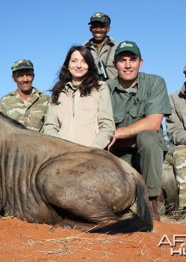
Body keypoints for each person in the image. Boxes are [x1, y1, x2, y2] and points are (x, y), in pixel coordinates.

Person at [107, 41, 171, 220]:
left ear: (140, 63)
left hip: (149, 153)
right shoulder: (104, 88)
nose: (128, 65)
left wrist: (118, 133)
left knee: (148, 137)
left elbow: (153, 123)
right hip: (120, 154)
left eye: (132, 60)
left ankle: (152, 203)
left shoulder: (155, 82)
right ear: (115, 64)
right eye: (122, 60)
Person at [42, 45, 115, 149]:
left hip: (91, 154)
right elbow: (50, 126)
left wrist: (94, 149)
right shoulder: (58, 91)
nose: (79, 65)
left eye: (84, 61)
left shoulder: (100, 87)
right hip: (62, 154)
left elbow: (107, 125)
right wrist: (60, 148)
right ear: (67, 64)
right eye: (74, 61)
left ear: (89, 65)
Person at [0, 59, 49, 131]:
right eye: (20, 76)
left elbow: (50, 127)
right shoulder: (5, 101)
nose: (25, 79)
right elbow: (0, 129)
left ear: (33, 76)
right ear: (14, 78)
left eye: (28, 75)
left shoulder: (46, 100)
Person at [166, 64, 186, 211]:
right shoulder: (173, 99)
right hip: (184, 146)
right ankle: (184, 208)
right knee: (180, 153)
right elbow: (174, 132)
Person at [83, 12, 117, 80]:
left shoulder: (117, 48)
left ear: (108, 28)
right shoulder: (83, 49)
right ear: (90, 29)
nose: (98, 30)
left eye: (102, 26)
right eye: (95, 26)